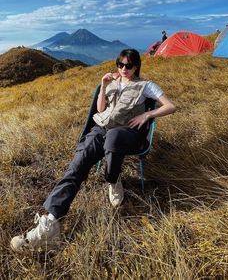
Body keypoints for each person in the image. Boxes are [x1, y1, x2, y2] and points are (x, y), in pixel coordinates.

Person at [10, 49, 176, 253]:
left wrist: (148, 114)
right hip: (102, 129)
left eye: (129, 65)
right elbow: (99, 110)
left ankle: (113, 179)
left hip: (128, 133)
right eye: (120, 64)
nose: (124, 69)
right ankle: (51, 224)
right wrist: (104, 86)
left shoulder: (146, 85)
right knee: (77, 165)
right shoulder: (112, 82)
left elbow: (170, 106)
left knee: (114, 138)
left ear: (136, 66)